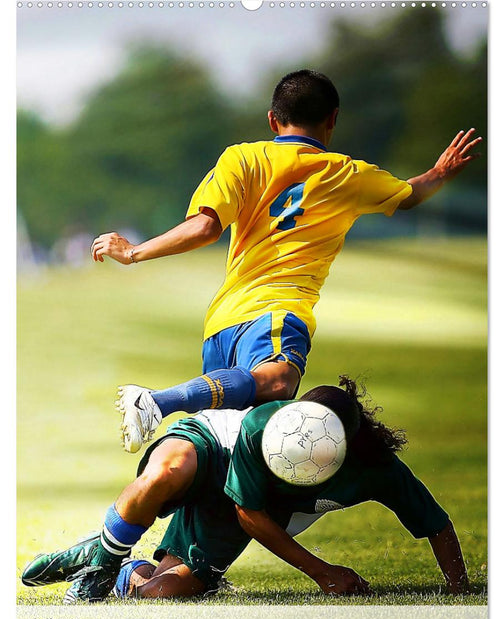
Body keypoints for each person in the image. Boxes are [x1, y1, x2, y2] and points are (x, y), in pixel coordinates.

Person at [90, 70, 482, 454]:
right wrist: (441, 171)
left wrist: (135, 252)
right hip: (278, 311)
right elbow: (409, 194)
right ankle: (157, 403)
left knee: (235, 454)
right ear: (333, 120)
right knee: (278, 382)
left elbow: (205, 228)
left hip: (222, 323)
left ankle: (124, 520)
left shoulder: (241, 158)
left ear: (273, 120)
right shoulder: (348, 174)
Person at [22, 376, 469, 602]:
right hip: (215, 448)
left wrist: (458, 586)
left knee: (160, 596)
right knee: (163, 475)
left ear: (345, 449)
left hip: (245, 502)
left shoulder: (375, 468)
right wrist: (323, 572)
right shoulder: (260, 425)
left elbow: (434, 521)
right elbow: (249, 516)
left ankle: (123, 571)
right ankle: (102, 556)